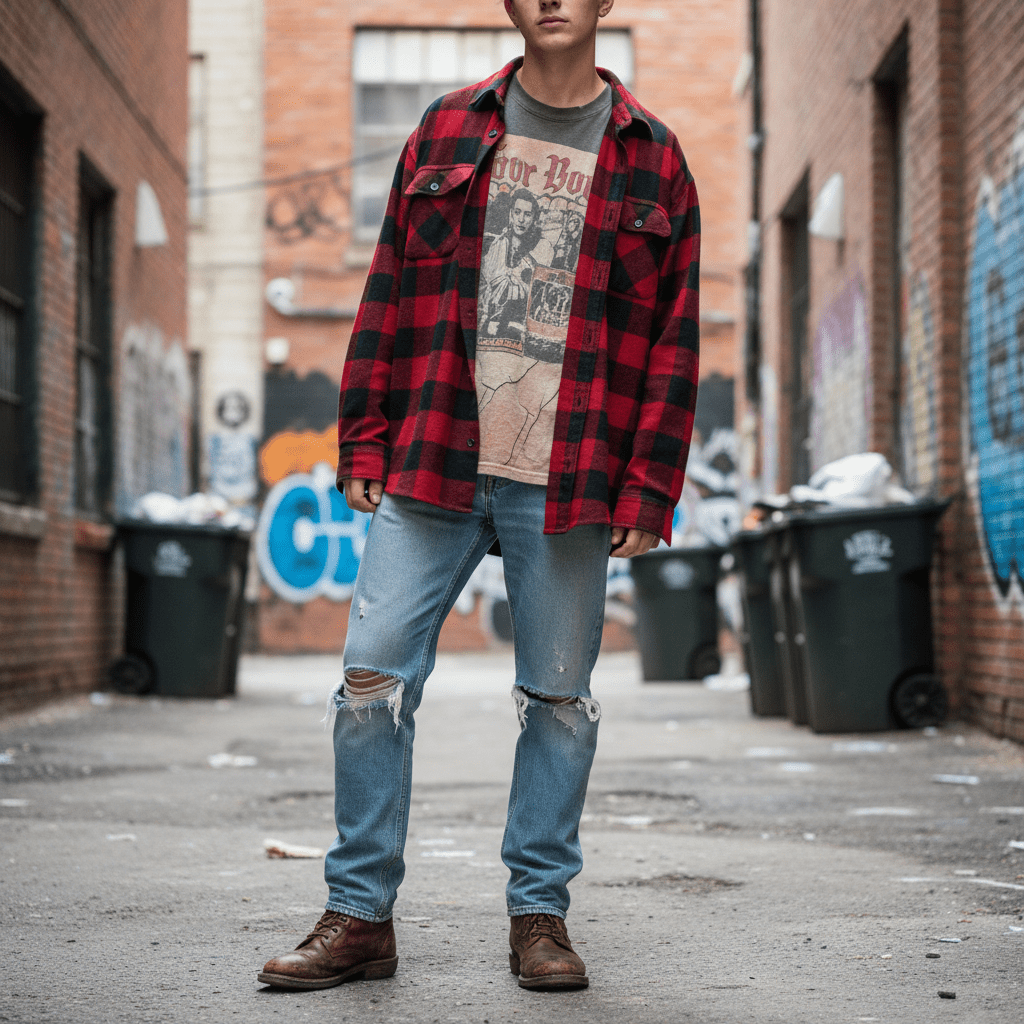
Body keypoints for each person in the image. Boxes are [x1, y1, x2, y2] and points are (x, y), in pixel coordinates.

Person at [258, 0, 700, 993]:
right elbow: (386, 285)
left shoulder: (654, 158)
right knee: (369, 683)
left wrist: (650, 479)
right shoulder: (448, 128)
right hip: (437, 450)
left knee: (559, 702)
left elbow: (674, 340)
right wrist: (364, 431)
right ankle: (359, 916)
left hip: (572, 468)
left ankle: (538, 915)